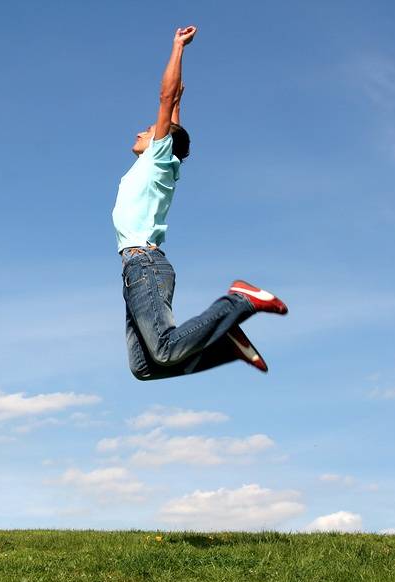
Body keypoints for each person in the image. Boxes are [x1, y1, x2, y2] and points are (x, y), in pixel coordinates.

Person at [112, 25, 288, 380]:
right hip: (136, 268)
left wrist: (178, 47)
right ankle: (226, 344)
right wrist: (177, 102)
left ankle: (238, 300)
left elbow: (167, 98)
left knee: (164, 349)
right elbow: (174, 108)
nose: (141, 132)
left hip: (144, 264)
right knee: (144, 367)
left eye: (149, 130)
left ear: (161, 141)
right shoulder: (163, 165)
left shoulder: (158, 159)